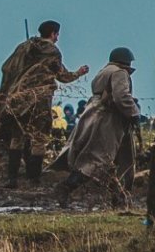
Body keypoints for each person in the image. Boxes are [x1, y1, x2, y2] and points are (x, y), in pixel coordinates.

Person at [0, 21, 88, 188]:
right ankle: (34, 179)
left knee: (17, 137)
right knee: (39, 139)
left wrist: (7, 92)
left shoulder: (23, 47)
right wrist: (79, 73)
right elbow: (62, 76)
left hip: (18, 101)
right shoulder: (52, 51)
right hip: (40, 101)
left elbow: (7, 68)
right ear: (53, 34)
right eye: (57, 34)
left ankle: (11, 180)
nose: (57, 37)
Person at [58, 48, 141, 208]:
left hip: (97, 116)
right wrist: (134, 113)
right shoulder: (119, 72)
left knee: (110, 160)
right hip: (109, 120)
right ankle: (67, 187)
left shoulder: (104, 71)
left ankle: (119, 198)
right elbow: (121, 96)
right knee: (99, 159)